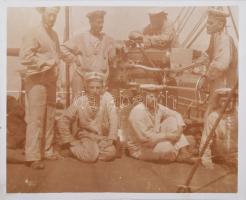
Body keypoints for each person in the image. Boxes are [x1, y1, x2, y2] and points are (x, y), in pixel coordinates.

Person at [19, 7, 61, 169]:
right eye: (50, 15)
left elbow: (56, 56)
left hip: (51, 81)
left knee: (50, 115)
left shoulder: (54, 35)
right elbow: (25, 57)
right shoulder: (34, 33)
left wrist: (57, 72)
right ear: (43, 14)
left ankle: (47, 150)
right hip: (36, 80)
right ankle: (33, 156)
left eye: (55, 16)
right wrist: (45, 62)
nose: (52, 18)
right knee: (36, 118)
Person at [57, 72, 118, 162]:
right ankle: (73, 150)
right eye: (91, 87)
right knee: (90, 157)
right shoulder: (80, 100)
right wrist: (69, 140)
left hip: (101, 136)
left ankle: (88, 151)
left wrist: (111, 138)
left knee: (111, 152)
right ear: (86, 88)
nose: (95, 90)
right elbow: (63, 120)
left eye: (98, 87)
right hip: (86, 135)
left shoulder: (107, 98)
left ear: (102, 88)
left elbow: (114, 119)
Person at [126, 84, 195, 163]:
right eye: (151, 97)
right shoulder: (138, 112)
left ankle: (184, 152)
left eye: (156, 96)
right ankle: (179, 153)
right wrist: (168, 136)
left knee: (172, 119)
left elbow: (176, 114)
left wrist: (179, 132)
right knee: (167, 148)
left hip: (155, 140)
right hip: (141, 148)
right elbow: (145, 138)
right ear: (143, 97)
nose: (154, 99)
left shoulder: (157, 107)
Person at [60, 10, 116, 100]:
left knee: (99, 107)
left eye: (102, 22)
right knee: (79, 104)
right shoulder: (81, 38)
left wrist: (114, 52)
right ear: (91, 22)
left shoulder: (107, 39)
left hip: (99, 80)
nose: (101, 25)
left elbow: (113, 56)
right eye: (98, 22)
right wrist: (74, 59)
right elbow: (62, 49)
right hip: (82, 77)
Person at [204, 7, 238, 118]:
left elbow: (221, 65)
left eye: (210, 23)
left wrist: (206, 77)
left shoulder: (225, 40)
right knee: (210, 115)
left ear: (220, 25)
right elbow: (210, 54)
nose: (207, 25)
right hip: (217, 85)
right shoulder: (215, 37)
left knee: (214, 117)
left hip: (225, 86)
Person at [199, 88, 237, 169]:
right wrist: (206, 160)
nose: (227, 104)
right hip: (221, 157)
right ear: (219, 102)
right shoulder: (213, 117)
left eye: (230, 100)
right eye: (224, 101)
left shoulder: (239, 115)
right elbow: (206, 140)